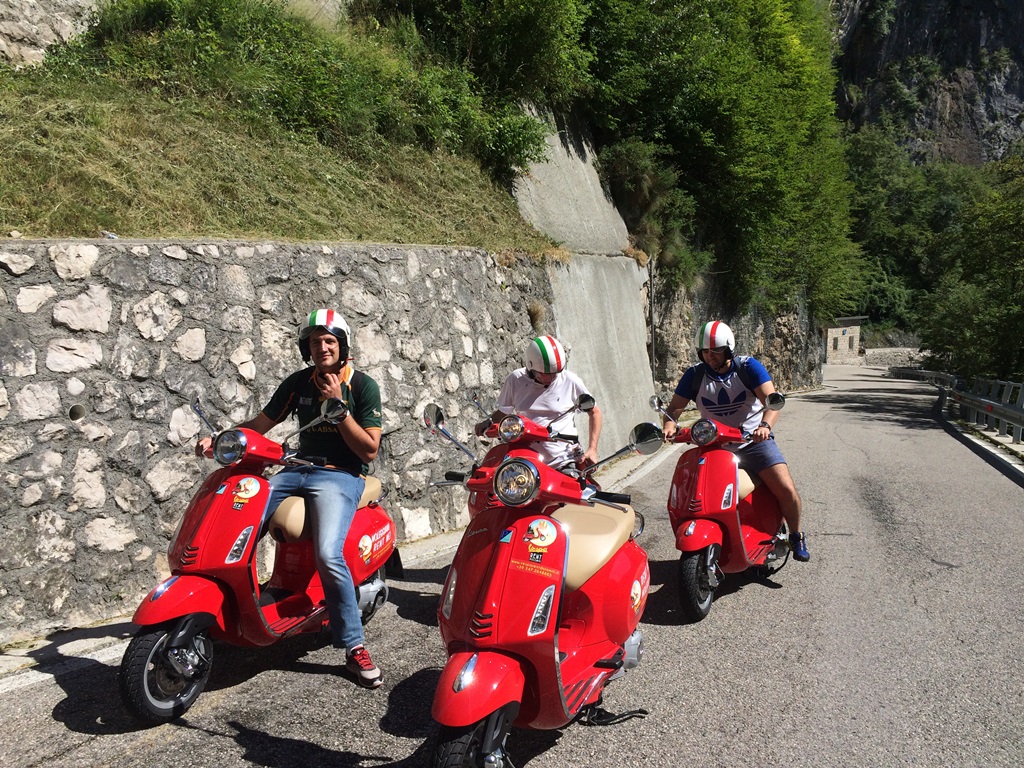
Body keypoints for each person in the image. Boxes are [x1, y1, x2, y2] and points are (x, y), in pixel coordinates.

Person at [196, 308, 385, 687]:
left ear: (343, 346)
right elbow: (262, 424)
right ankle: (230, 604)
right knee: (238, 519)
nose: (322, 348)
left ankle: (353, 645)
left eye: (329, 341)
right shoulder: (298, 383)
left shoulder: (363, 387)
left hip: (340, 477)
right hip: (295, 468)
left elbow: (368, 452)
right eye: (315, 342)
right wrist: (224, 439)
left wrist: (339, 410)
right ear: (307, 348)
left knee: (329, 553)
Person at [661, 320, 810, 562]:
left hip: (753, 443)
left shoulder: (748, 368)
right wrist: (669, 425)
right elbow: (674, 409)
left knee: (786, 488)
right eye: (705, 352)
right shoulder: (695, 375)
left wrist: (764, 426)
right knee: (696, 497)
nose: (710, 357)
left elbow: (772, 401)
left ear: (728, 349)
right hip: (714, 445)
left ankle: (795, 535)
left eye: (716, 351)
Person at [474, 335, 602, 473]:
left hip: (563, 459)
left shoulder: (569, 381)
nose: (552, 377)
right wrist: (489, 422)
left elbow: (595, 412)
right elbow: (504, 410)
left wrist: (592, 449)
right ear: (531, 366)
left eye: (556, 372)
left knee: (571, 491)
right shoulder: (516, 380)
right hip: (526, 461)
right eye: (546, 374)